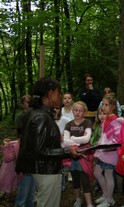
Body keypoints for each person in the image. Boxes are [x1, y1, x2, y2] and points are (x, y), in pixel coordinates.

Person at [15, 77, 79, 207]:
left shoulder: (35, 113)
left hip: (40, 169)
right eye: (58, 92)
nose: (60, 95)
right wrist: (67, 151)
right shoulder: (41, 117)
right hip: (46, 170)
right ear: (50, 93)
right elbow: (39, 150)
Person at [62, 101, 94, 207]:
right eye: (76, 110)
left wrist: (73, 138)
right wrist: (78, 141)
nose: (78, 112)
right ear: (72, 111)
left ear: (84, 112)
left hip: (84, 154)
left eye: (80, 111)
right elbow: (65, 141)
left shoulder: (87, 123)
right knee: (75, 178)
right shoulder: (68, 124)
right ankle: (78, 199)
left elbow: (87, 138)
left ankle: (89, 203)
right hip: (72, 155)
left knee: (84, 178)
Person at [94, 95, 122, 207]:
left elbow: (117, 139)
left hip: (110, 153)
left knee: (108, 175)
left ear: (113, 107)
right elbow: (104, 135)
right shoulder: (106, 119)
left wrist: (105, 145)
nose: (104, 107)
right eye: (103, 104)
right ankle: (105, 194)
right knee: (97, 172)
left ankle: (110, 200)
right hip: (102, 152)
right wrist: (100, 143)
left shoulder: (116, 120)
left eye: (106, 105)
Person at [54, 104, 71, 192]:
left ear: (60, 109)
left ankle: (62, 186)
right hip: (52, 147)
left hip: (62, 146)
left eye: (57, 108)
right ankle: (58, 186)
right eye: (53, 108)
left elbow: (71, 125)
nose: (55, 110)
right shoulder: (48, 119)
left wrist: (65, 134)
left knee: (63, 167)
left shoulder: (64, 119)